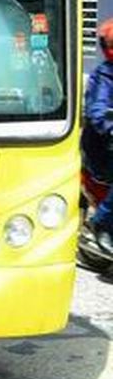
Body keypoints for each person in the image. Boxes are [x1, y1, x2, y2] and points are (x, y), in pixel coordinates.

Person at [85, 20, 113, 252]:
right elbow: (98, 111)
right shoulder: (103, 76)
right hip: (102, 147)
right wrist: (109, 126)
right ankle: (101, 223)